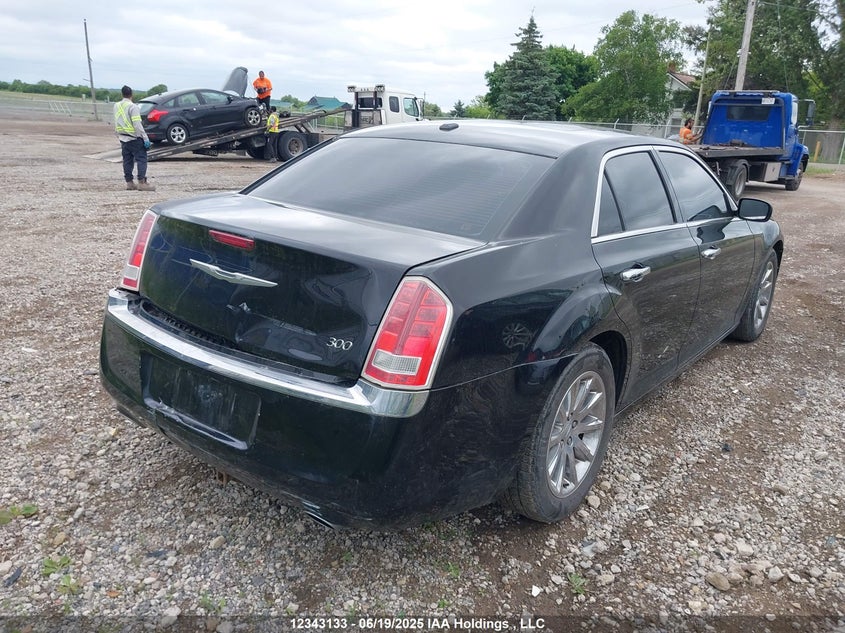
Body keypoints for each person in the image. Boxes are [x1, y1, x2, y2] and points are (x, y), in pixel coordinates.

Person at [113, 85, 155, 191]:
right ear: (132, 94)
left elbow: (116, 120)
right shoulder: (133, 107)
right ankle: (142, 183)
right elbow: (137, 124)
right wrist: (145, 138)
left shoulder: (116, 106)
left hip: (123, 138)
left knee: (127, 161)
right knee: (142, 159)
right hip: (134, 138)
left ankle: (129, 183)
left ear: (122, 94)